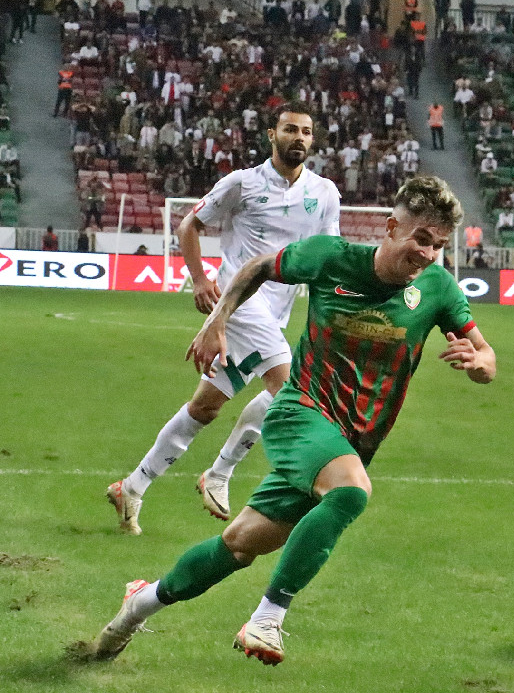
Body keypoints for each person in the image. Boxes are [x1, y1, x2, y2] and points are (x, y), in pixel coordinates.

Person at [90, 176, 496, 665]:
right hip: (299, 412)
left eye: (438, 245)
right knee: (351, 492)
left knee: (237, 547)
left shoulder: (438, 288)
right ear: (391, 227)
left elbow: (486, 355)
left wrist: (480, 366)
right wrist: (217, 319)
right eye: (420, 239)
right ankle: (267, 617)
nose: (428, 254)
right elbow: (259, 267)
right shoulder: (331, 257)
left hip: (350, 439)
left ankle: (139, 603)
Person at [105, 103, 342, 535]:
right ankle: (220, 472)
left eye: (307, 132)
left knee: (206, 406)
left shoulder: (324, 192)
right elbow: (188, 226)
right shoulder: (242, 184)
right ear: (272, 134)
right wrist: (199, 281)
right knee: (289, 388)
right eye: (291, 129)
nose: (300, 138)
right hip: (239, 300)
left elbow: (330, 254)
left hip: (277, 308)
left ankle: (132, 486)